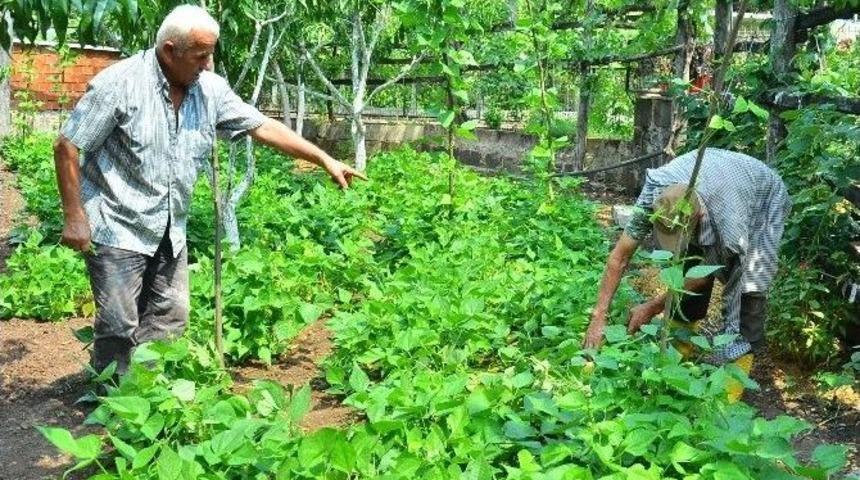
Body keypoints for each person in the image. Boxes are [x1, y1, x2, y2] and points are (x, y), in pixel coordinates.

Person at [53, 5, 366, 375]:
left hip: (170, 229)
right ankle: (110, 401)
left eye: (210, 53)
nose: (208, 64)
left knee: (171, 317)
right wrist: (75, 216)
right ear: (170, 51)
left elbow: (261, 125)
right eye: (200, 55)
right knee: (119, 324)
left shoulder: (210, 90)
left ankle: (149, 394)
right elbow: (67, 146)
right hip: (117, 223)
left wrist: (323, 158)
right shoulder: (118, 85)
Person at [582, 148, 790, 390]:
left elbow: (701, 277)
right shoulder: (657, 194)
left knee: (749, 287)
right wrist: (599, 316)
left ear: (699, 217)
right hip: (714, 183)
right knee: (687, 259)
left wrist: (651, 306)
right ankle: (680, 350)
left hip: (762, 197)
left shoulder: (729, 227)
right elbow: (620, 256)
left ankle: (730, 389)